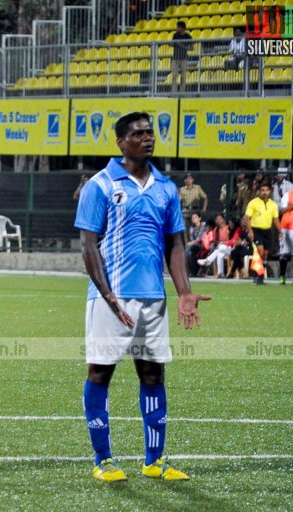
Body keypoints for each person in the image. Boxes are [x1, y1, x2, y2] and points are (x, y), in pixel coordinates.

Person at [74, 112, 210, 483]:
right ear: (121, 142)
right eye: (138, 133)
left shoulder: (166, 187)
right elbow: (88, 246)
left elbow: (175, 243)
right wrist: (108, 296)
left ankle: (154, 460)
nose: (148, 138)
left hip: (153, 297)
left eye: (151, 132)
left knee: (152, 373)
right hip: (110, 298)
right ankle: (103, 460)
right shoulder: (100, 185)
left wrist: (183, 292)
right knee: (100, 372)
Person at [242, 182, 280, 284]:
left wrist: (280, 231)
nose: (264, 192)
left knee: (265, 255)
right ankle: (259, 277)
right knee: (260, 252)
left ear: (270, 192)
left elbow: (275, 220)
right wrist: (250, 231)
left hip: (267, 231)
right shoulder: (253, 203)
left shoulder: (273, 204)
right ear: (259, 192)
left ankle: (256, 274)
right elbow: (247, 218)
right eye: (262, 190)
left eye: (266, 190)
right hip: (256, 230)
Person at [170, 21, 192, 94]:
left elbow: (191, 48)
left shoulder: (188, 36)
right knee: (174, 75)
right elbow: (172, 44)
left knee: (183, 76)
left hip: (184, 58)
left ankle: (182, 92)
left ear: (182, 28)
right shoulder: (175, 35)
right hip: (175, 58)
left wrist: (181, 45)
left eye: (178, 27)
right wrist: (172, 43)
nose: (176, 29)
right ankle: (174, 92)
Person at [185, 211, 207, 276]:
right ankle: (193, 272)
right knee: (190, 253)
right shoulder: (191, 228)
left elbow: (200, 238)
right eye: (192, 217)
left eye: (195, 217)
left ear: (199, 218)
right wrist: (192, 243)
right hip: (194, 246)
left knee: (189, 248)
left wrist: (191, 243)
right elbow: (192, 239)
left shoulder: (203, 225)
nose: (193, 218)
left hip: (202, 245)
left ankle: (188, 271)